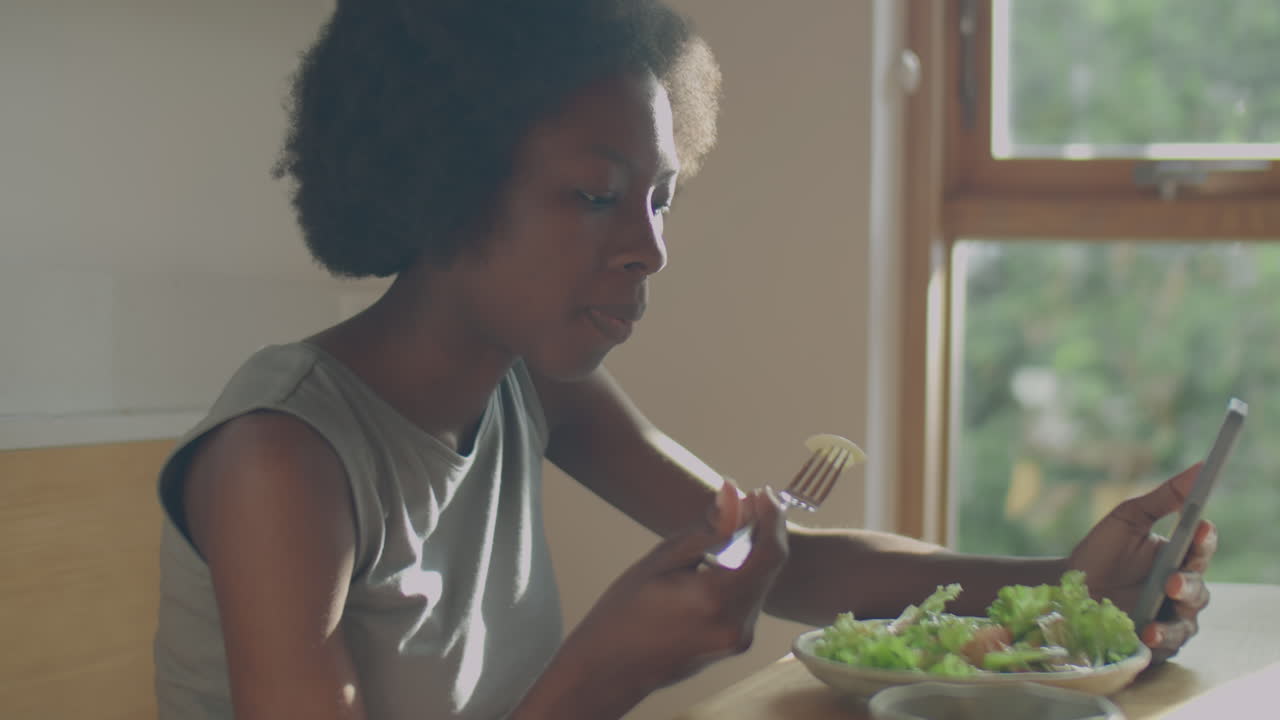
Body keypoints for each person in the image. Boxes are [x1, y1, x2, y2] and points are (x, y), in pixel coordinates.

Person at [152, 1, 1216, 718]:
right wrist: (602, 677)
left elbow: (790, 558)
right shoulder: (281, 464)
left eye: (661, 196)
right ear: (440, 184)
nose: (648, 246)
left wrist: (1057, 588)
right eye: (594, 194)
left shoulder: (535, 384)